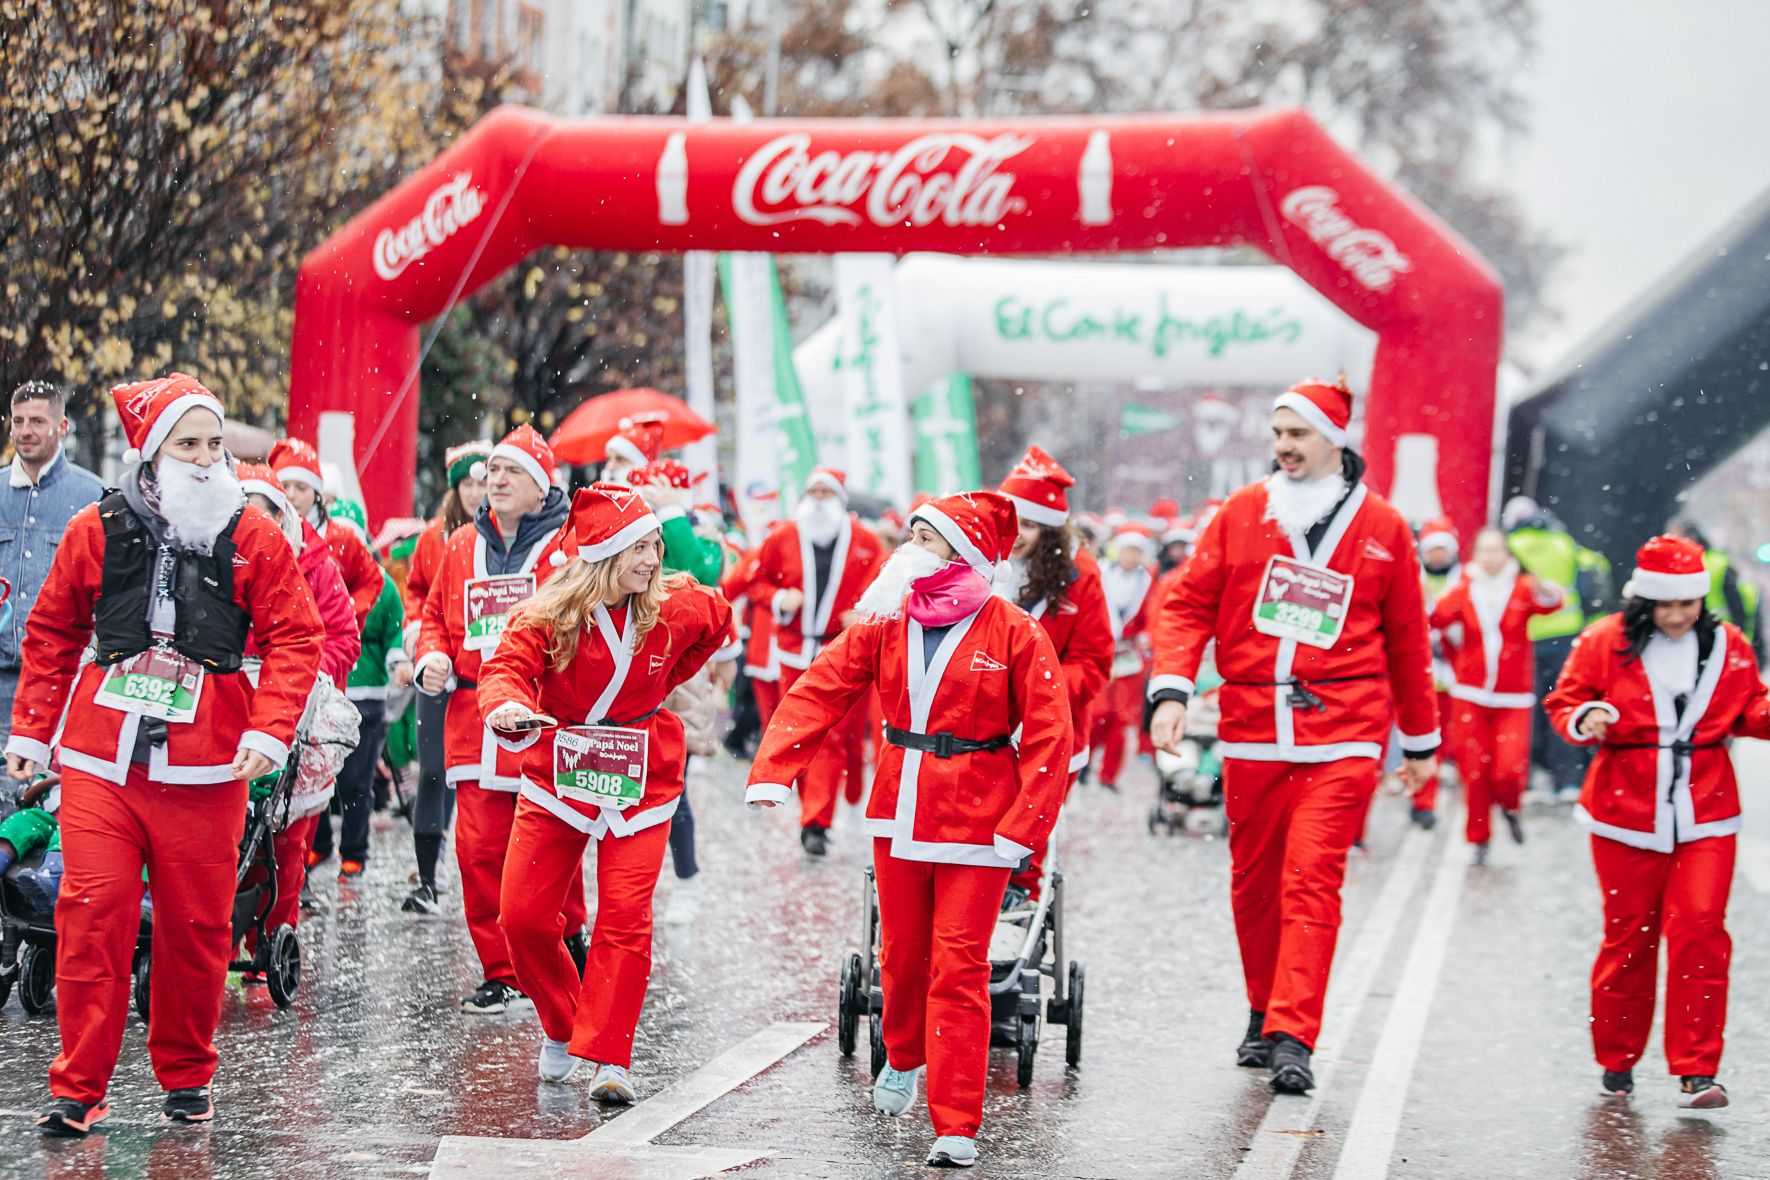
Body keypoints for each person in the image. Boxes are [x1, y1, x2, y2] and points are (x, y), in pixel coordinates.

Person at [6, 374, 323, 1135]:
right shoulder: (97, 527)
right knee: (92, 914)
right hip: (100, 759)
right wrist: (29, 730)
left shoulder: (253, 533)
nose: (209, 459)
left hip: (208, 763)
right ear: (153, 453)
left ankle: (185, 1072)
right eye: (191, 444)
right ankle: (77, 1088)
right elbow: (50, 631)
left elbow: (297, 636)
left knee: (196, 927)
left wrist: (267, 730)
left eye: (215, 444)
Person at [747, 490, 1070, 1170]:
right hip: (899, 808)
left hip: (982, 822)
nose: (907, 546)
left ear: (965, 553)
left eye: (925, 536)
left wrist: (1023, 829)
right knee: (900, 955)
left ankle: (955, 1121)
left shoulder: (1014, 630)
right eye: (912, 533)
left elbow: (1050, 737)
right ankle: (902, 1052)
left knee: (960, 966)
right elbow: (822, 685)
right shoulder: (884, 618)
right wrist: (776, 768)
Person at [1148, 376, 1439, 1095]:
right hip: (1251, 729)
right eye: (1277, 434)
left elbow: (1408, 639)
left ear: (1334, 440)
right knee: (1254, 886)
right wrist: (1173, 688)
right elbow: (1187, 604)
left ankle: (1293, 1034)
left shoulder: (1384, 527)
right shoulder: (1243, 511)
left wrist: (1423, 743)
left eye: (1297, 434)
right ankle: (1262, 1008)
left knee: (1312, 879)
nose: (1283, 447)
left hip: (1344, 732)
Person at [477, 483, 734, 1101]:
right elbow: (505, 669)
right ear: (603, 553)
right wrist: (510, 710)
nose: (652, 559)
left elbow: (718, 620)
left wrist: (659, 683)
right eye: (638, 549)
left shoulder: (673, 603)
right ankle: (567, 1025)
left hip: (642, 772)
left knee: (625, 918)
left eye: (655, 546)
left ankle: (611, 1056)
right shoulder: (545, 613)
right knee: (524, 917)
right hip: (559, 766)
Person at [1544, 534, 1770, 1110]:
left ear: (1701, 600)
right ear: (1644, 602)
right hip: (1624, 809)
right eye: (1664, 605)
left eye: (1685, 605)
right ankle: (1617, 1059)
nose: (1674, 616)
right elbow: (1564, 701)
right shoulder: (1604, 640)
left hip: (1708, 809)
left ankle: (1697, 1070)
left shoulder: (1730, 646)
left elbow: (1751, 712)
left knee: (1701, 931)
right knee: (1630, 937)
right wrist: (1588, 716)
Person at [414, 424, 588, 1014]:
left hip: (544, 718)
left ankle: (567, 940)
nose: (497, 480)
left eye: (512, 472)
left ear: (541, 486)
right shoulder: (460, 543)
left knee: (554, 843)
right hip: (472, 718)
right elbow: (436, 614)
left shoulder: (566, 550)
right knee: (479, 851)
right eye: (492, 472)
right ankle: (503, 971)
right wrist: (431, 654)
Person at [234, 464, 360, 945]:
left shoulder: (315, 565)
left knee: (287, 840)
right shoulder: (217, 557)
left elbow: (342, 636)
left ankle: (271, 934)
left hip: (296, 713)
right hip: (229, 710)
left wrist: (304, 670)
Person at [994, 446, 1113, 903]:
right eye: (1012, 521)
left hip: (1048, 729)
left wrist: (1038, 696)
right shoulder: (975, 563)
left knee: (1026, 831)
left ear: (1049, 529)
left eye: (1030, 524)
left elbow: (1093, 658)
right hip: (974, 727)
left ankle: (1019, 901)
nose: (1018, 534)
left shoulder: (1079, 575)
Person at [746, 468, 885, 855]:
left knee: (835, 737)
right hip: (792, 649)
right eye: (814, 491)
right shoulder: (782, 537)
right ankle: (812, 812)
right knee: (797, 731)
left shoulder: (866, 542)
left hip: (843, 650)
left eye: (828, 492)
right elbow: (754, 582)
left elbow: (885, 587)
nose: (820, 499)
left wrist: (863, 610)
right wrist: (778, 599)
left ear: (841, 499)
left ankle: (816, 822)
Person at [1429, 526, 1563, 861]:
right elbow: (1437, 618)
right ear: (1475, 555)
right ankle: (1479, 838)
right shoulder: (1464, 588)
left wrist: (1546, 587)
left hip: (1513, 696)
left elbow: (1552, 604)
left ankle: (1511, 807)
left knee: (1508, 770)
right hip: (1470, 694)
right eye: (1484, 551)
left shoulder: (1522, 587)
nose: (1490, 558)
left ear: (1507, 555)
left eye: (1496, 551)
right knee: (1474, 772)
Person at [402, 441, 489, 913]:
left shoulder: (505, 539)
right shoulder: (434, 538)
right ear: (455, 490)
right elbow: (416, 593)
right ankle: (427, 880)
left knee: (482, 777)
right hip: (439, 670)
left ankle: (493, 878)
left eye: (483, 483)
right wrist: (420, 645)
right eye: (468, 484)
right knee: (434, 770)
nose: (477, 492)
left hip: (488, 675)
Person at [308, 498, 412, 878]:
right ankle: (318, 844)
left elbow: (394, 630)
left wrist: (398, 659)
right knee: (316, 775)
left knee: (355, 780)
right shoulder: (315, 575)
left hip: (367, 696)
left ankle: (355, 848)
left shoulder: (381, 585)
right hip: (321, 693)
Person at [0, 382, 104, 735]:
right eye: (18, 421)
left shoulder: (94, 498)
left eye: (37, 421)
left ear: (61, 427)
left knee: (44, 788)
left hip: (61, 681)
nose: (26, 431)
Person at [1503, 495, 1614, 800]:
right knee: (1562, 706)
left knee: (1525, 711)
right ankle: (1567, 779)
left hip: (1523, 640)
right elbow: (1590, 585)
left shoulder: (1510, 548)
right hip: (1566, 637)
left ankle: (1524, 778)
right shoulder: (1564, 544)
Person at [269, 437, 382, 624]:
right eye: (284, 485)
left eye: (301, 487)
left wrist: (345, 612)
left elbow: (372, 579)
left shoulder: (341, 537)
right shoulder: (265, 533)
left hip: (329, 643)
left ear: (316, 493)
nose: (291, 495)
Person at [1090, 522, 1157, 791]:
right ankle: (1083, 759)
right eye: (1127, 550)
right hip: (1101, 652)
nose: (1131, 556)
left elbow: (1153, 616)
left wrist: (1146, 634)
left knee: (1121, 717)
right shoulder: (1101, 573)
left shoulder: (1147, 582)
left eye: (1136, 551)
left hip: (1129, 657)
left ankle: (1109, 774)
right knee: (1097, 713)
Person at [1410, 516, 1463, 828]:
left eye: (1443, 549)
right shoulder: (1409, 577)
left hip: (1454, 676)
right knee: (1420, 742)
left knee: (1445, 744)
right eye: (1433, 550)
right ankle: (1422, 802)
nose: (1438, 556)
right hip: (1418, 675)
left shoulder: (1465, 580)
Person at [1668, 519, 1763, 660]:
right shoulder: (1682, 563)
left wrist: (1738, 642)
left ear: (1691, 536)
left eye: (1676, 538)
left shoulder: (1714, 563)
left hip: (1718, 640)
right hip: (1702, 640)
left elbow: (1737, 607)